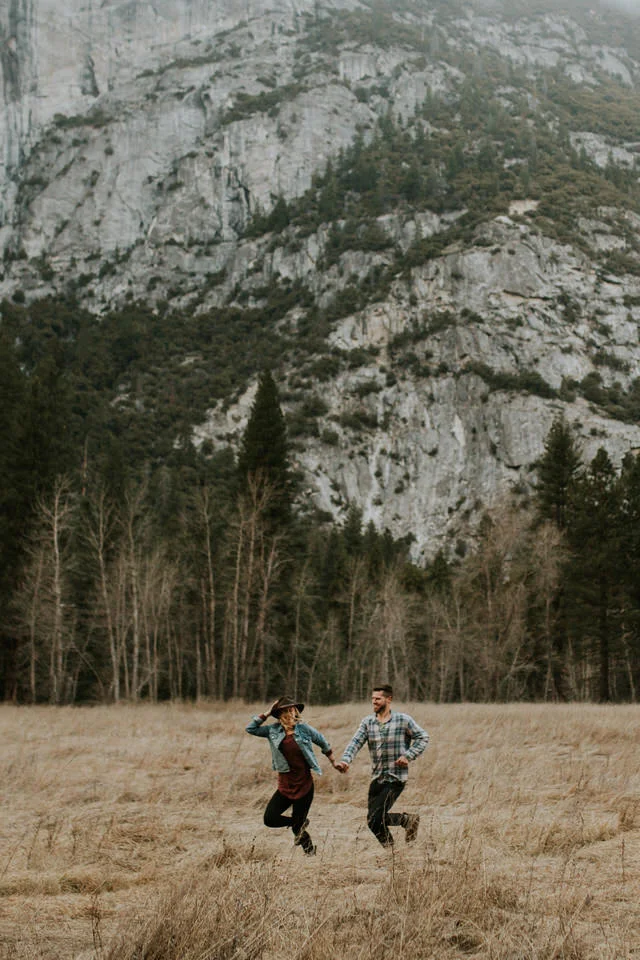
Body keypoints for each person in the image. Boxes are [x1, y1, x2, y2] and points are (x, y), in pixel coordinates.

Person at [335, 684, 429, 847]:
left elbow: (423, 737)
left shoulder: (403, 720)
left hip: (396, 778)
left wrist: (408, 755)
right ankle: (405, 826)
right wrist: (345, 760)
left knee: (376, 818)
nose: (374, 702)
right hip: (377, 777)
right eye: (372, 699)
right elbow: (355, 742)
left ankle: (393, 852)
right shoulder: (368, 722)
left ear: (389, 699)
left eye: (378, 699)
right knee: (373, 821)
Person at [246, 695, 339, 855]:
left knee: (297, 828)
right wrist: (267, 712)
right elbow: (251, 729)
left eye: (293, 709)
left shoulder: (304, 729)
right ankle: (301, 823)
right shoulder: (272, 730)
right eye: (287, 710)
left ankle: (310, 854)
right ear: (280, 713)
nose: (291, 712)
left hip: (304, 784)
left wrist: (334, 762)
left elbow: (322, 741)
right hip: (285, 785)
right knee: (270, 819)